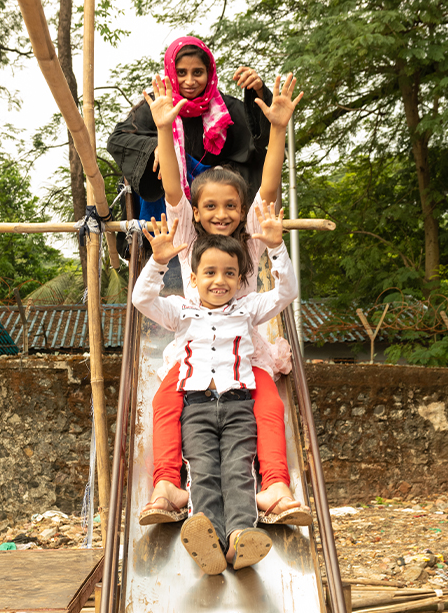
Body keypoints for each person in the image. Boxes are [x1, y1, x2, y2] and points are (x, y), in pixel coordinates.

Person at [136, 70, 311, 528]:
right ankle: (168, 485)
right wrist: (161, 129)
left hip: (244, 345)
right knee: (164, 402)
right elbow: (174, 190)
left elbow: (268, 191)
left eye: (231, 206)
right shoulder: (189, 237)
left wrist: (277, 129)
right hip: (195, 343)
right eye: (211, 207)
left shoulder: (252, 241)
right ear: (197, 213)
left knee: (268, 404)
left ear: (241, 210)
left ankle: (274, 486)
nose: (222, 214)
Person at [131, 207, 297, 574]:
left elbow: (287, 292)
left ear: (240, 281)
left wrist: (277, 249)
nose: (219, 280)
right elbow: (142, 301)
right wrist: (158, 264)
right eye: (209, 272)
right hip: (197, 405)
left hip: (238, 404)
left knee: (238, 470)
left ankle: (239, 537)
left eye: (229, 274)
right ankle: (208, 540)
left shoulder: (247, 309)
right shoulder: (181, 311)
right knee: (203, 470)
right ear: (193, 277)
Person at [106, 36, 273, 224]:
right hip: (170, 213)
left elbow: (263, 137)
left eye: (198, 72)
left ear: (209, 73)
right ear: (170, 72)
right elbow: (117, 140)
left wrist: (259, 91)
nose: (190, 81)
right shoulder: (158, 104)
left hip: (216, 215)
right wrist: (156, 146)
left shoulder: (226, 110)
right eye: (182, 73)